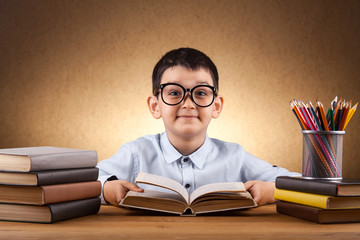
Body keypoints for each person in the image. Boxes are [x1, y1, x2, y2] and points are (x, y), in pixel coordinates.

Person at [97, 47, 300, 207]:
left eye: (201, 93)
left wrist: (273, 191)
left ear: (216, 106)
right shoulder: (135, 153)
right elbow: (84, 183)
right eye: (174, 92)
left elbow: (300, 183)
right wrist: (106, 189)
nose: (188, 103)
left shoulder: (235, 156)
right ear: (155, 106)